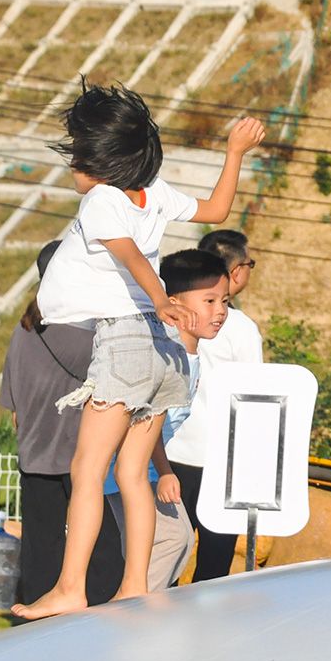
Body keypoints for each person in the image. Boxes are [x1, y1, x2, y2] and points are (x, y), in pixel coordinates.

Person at [12, 84, 264, 619]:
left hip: (126, 340)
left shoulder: (102, 199)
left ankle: (70, 588)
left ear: (103, 161)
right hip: (159, 351)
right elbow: (217, 207)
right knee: (132, 474)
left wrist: (160, 298)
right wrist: (234, 153)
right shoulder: (155, 193)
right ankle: (134, 586)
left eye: (81, 155)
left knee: (87, 469)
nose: (75, 166)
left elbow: (128, 255)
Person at [0, 241, 124, 606]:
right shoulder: (87, 335)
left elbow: (13, 406)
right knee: (99, 538)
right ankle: (102, 601)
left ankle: (38, 606)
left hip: (34, 451)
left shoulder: (24, 329)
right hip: (77, 450)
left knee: (41, 541)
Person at [104, 250, 231, 591]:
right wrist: (164, 472)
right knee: (173, 540)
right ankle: (127, 612)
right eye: (209, 300)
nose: (219, 311)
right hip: (130, 472)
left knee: (173, 543)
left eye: (224, 301)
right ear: (173, 303)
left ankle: (136, 611)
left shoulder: (187, 354)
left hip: (136, 470)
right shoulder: (169, 354)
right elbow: (147, 422)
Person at [165, 230, 264, 582]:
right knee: (214, 566)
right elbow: (253, 399)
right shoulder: (240, 328)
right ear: (235, 271)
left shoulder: (166, 316)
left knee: (164, 557)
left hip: (168, 454)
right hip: (221, 460)